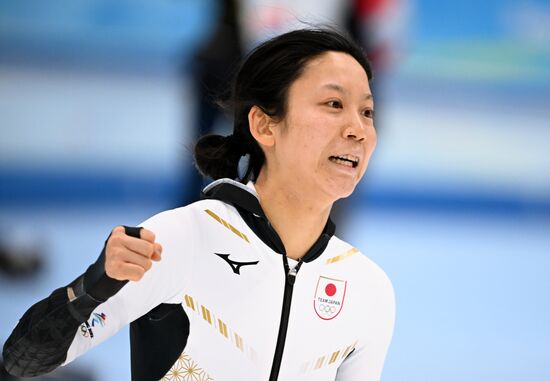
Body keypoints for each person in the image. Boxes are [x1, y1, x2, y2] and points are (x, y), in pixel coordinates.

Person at [2, 28, 395, 381]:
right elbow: (21, 362)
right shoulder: (180, 241)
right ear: (264, 125)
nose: (357, 130)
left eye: (367, 111)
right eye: (333, 104)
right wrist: (92, 288)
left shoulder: (367, 289)